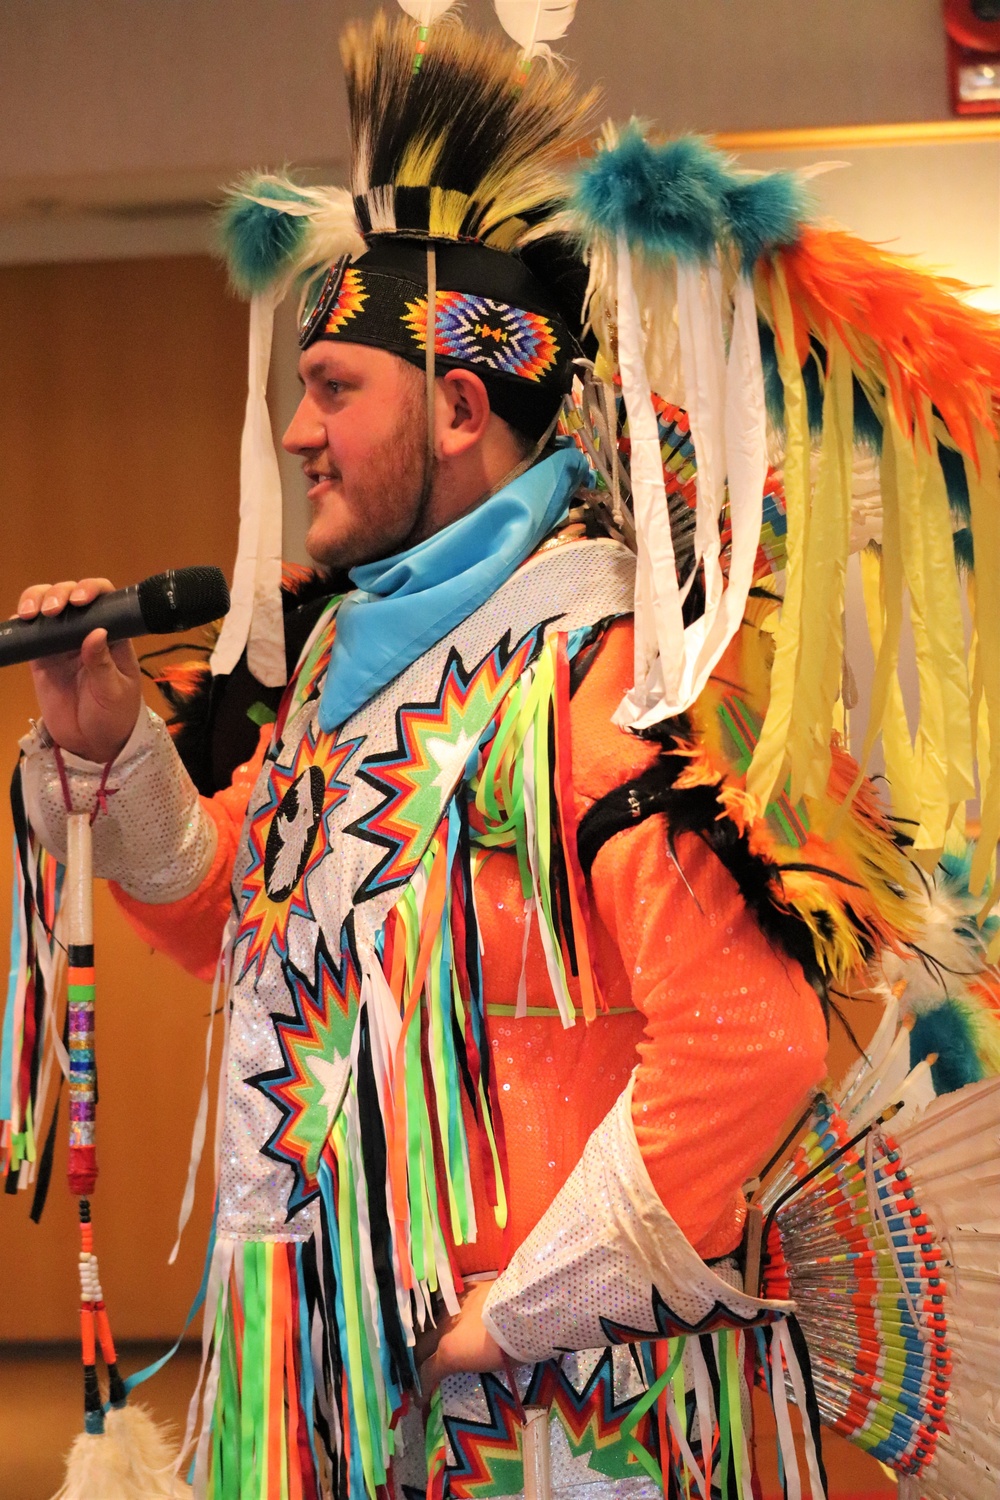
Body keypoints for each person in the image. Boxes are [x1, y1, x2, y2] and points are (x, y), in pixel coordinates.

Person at [9, 13, 1000, 1500]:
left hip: (545, 1426)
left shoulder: (601, 685)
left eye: (336, 386)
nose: (295, 432)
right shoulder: (351, 664)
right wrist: (124, 755)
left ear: (462, 406)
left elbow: (747, 1042)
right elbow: (252, 933)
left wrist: (516, 1310)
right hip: (332, 1385)